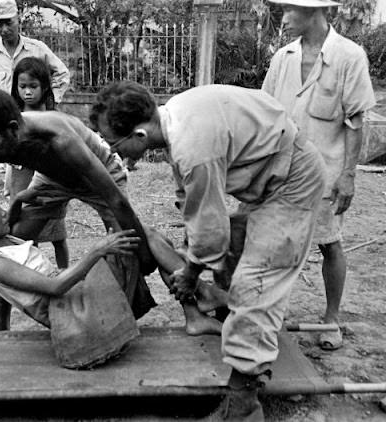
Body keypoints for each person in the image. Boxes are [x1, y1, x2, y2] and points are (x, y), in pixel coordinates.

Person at [91, 81, 325, 421]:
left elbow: (210, 228)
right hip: (269, 177)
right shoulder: (174, 119)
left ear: (140, 134)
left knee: (255, 282)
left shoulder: (192, 147)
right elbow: (192, 203)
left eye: (116, 144)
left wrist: (190, 274)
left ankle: (243, 403)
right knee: (233, 257)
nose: (117, 153)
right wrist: (193, 258)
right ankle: (236, 327)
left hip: (293, 181)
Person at [0, 89, 224, 336]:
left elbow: (115, 200)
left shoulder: (60, 138)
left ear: (13, 130)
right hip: (52, 178)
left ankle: (195, 306)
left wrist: (142, 253)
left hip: (99, 175)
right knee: (13, 236)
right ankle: (2, 320)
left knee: (143, 238)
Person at [262, 0, 376, 351]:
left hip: (325, 172)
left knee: (329, 243)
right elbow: (265, 111)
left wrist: (349, 175)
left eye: (288, 12)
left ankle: (331, 319)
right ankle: (272, 316)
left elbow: (355, 121)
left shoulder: (349, 56)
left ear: (313, 13)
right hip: (283, 170)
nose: (283, 19)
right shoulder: (283, 58)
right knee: (276, 243)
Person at [0, 0, 70, 214]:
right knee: (14, 178)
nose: (4, 29)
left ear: (18, 20)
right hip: (7, 127)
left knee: (43, 176)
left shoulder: (37, 49)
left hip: (35, 123)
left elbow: (62, 74)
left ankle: (46, 218)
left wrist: (48, 101)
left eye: (8, 23)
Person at [9, 57, 68, 269]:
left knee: (57, 235)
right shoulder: (14, 118)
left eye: (33, 86)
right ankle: (34, 273)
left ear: (44, 87)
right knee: (26, 236)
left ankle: (63, 273)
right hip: (21, 177)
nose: (27, 92)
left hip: (46, 180)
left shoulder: (51, 117)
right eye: (22, 86)